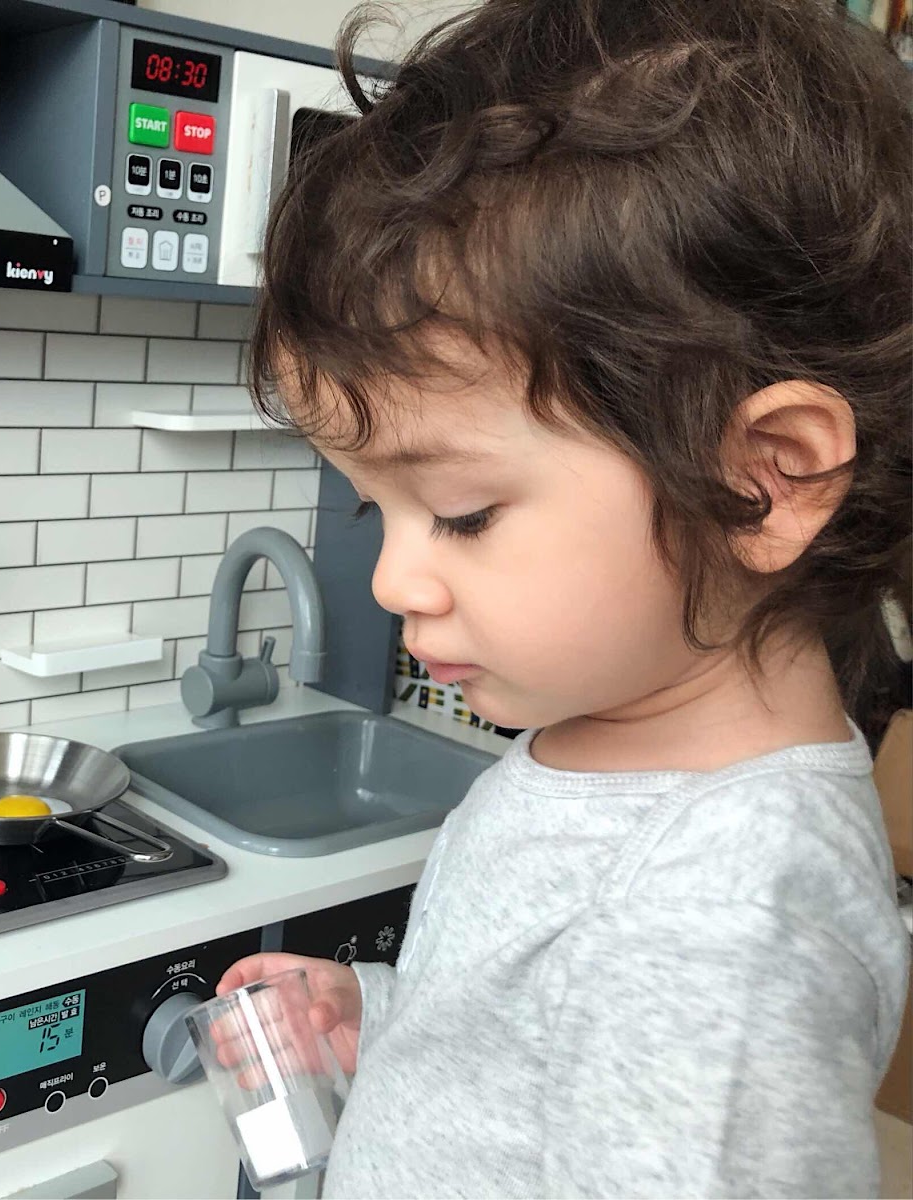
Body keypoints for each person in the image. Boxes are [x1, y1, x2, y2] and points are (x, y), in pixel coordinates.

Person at [217, 0, 912, 1194]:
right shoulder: (606, 761)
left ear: (765, 477)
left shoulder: (719, 922)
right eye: (378, 510)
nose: (392, 581)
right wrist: (382, 1024)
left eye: (464, 512)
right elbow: (529, 1057)